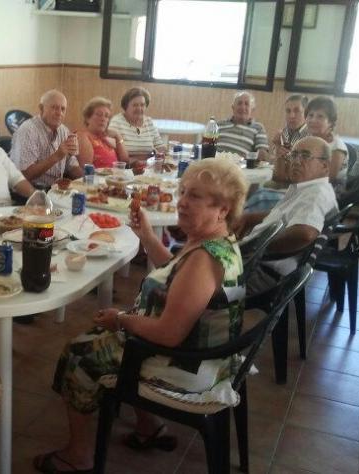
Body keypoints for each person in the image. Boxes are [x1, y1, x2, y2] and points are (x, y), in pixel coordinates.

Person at [34, 158, 247, 473]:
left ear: (223, 209)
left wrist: (121, 319)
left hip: (186, 364)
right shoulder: (215, 241)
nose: (182, 202)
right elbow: (175, 275)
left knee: (79, 353)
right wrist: (146, 236)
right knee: (113, 337)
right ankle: (149, 426)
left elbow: (168, 334)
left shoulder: (204, 260)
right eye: (183, 192)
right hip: (201, 351)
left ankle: (78, 456)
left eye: (195, 197)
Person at [236, 136, 338, 294]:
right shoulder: (306, 188)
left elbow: (306, 234)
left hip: (256, 273)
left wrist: (258, 247)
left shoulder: (316, 194)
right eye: (294, 155)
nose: (296, 161)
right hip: (254, 263)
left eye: (305, 156)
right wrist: (248, 218)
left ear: (325, 165)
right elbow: (283, 215)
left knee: (199, 260)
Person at [10, 89, 83, 189]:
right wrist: (57, 156)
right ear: (41, 108)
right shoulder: (28, 131)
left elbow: (72, 165)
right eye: (54, 108)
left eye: (63, 109)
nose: (59, 113)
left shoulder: (64, 130)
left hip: (57, 190)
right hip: (32, 192)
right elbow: (25, 175)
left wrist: (87, 181)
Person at [304, 96, 349, 193]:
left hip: (331, 189)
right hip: (311, 182)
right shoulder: (310, 140)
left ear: (331, 122)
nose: (313, 120)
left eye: (320, 116)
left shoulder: (337, 147)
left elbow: (330, 178)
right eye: (310, 115)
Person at [108, 87, 165, 163]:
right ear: (126, 106)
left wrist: (160, 155)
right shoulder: (116, 122)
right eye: (135, 105)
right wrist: (136, 160)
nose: (139, 108)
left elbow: (160, 148)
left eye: (142, 105)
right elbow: (110, 152)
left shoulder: (149, 122)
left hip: (148, 167)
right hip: (125, 167)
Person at [76, 96, 129, 169]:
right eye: (99, 114)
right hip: (98, 176)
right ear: (88, 118)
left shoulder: (106, 138)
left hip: (116, 175)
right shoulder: (83, 136)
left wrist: (118, 136)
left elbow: (125, 162)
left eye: (106, 116)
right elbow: (86, 170)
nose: (103, 119)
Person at [217, 91, 269, 162]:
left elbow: (263, 155)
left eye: (247, 104)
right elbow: (206, 144)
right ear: (233, 107)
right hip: (215, 163)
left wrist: (241, 157)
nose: (242, 107)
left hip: (240, 166)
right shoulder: (219, 124)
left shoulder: (258, 128)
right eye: (239, 103)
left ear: (252, 109)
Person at [270, 94, 310, 161]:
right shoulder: (281, 133)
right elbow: (273, 160)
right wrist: (277, 149)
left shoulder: (312, 136)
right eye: (288, 111)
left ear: (306, 113)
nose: (291, 116)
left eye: (297, 111)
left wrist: (291, 156)